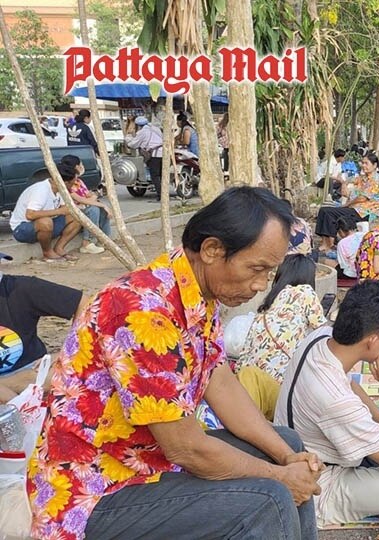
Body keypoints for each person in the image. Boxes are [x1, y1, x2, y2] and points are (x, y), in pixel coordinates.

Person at [26, 187, 322, 540]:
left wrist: (288, 460)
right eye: (256, 269)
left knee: (284, 444)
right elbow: (186, 447)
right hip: (92, 492)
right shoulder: (141, 310)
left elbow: (220, 381)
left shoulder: (196, 293)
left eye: (270, 273)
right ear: (212, 250)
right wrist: (280, 478)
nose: (261, 286)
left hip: (143, 462)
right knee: (269, 498)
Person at [275, 280, 379, 527]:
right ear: (372, 339)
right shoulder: (336, 401)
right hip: (321, 482)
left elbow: (349, 384)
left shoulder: (322, 337)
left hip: (305, 445)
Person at [237, 254, 327, 419]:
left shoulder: (265, 310)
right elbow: (323, 333)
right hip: (279, 394)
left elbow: (242, 358)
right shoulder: (305, 291)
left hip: (248, 392)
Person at [0, 251, 84, 403]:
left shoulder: (21, 287)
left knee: (61, 375)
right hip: (26, 382)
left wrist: (68, 350)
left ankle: (20, 408)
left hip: (31, 371)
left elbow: (84, 304)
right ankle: (22, 409)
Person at [9, 163, 82, 262]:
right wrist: (59, 211)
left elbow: (65, 208)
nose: (74, 184)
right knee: (45, 221)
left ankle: (59, 248)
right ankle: (47, 252)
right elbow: (30, 215)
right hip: (22, 228)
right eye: (73, 182)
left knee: (77, 217)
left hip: (47, 225)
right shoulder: (41, 190)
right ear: (64, 182)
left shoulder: (60, 190)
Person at [315, 151, 379, 251]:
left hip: (364, 211)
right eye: (362, 163)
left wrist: (345, 205)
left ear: (374, 165)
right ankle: (326, 242)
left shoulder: (376, 179)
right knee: (323, 210)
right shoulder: (363, 177)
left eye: (366, 163)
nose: (363, 165)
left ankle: (329, 244)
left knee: (329, 212)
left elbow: (362, 198)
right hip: (356, 208)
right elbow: (351, 179)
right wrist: (344, 183)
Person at [62, 155, 111, 255]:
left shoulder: (79, 182)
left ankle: (105, 240)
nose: (82, 166)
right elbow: (81, 199)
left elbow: (90, 195)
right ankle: (87, 243)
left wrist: (93, 199)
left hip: (85, 206)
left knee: (100, 209)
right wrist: (96, 201)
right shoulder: (67, 184)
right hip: (74, 211)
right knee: (94, 209)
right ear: (76, 167)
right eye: (81, 164)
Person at [124, 116, 164, 202]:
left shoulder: (143, 132)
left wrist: (128, 138)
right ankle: (164, 193)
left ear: (138, 125)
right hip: (163, 153)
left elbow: (134, 144)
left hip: (154, 155)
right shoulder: (155, 128)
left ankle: (161, 196)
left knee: (155, 176)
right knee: (161, 175)